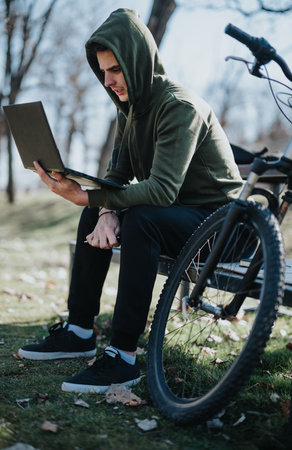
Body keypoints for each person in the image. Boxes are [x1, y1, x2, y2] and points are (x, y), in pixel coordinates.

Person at [18, 8, 243, 394]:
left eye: (115, 70)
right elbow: (117, 175)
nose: (108, 82)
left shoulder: (179, 107)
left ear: (138, 61)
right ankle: (79, 331)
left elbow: (161, 191)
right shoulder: (130, 110)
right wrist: (102, 209)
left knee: (143, 218)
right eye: (103, 72)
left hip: (226, 228)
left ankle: (122, 356)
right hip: (182, 217)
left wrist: (90, 195)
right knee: (98, 215)